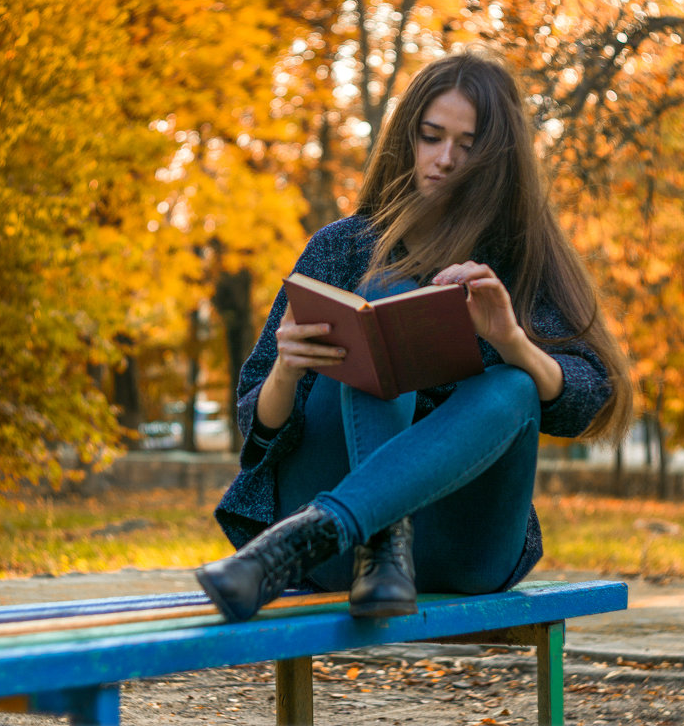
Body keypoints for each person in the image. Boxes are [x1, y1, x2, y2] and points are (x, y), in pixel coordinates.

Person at [196, 50, 633, 623]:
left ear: (498, 159)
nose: (446, 159)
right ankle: (379, 547)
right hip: (350, 564)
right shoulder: (343, 247)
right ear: (408, 138)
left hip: (466, 545)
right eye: (431, 136)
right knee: (381, 300)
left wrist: (513, 343)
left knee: (516, 387)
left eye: (468, 145)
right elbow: (256, 430)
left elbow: (589, 401)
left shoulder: (520, 259)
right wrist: (286, 369)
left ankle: (307, 536)